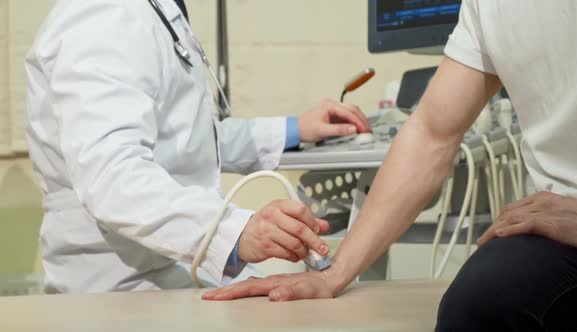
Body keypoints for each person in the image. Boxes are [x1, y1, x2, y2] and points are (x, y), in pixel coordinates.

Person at [203, 1, 577, 331]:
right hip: (559, 223)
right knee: (480, 303)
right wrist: (335, 273)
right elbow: (432, 133)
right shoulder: (490, 7)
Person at [25, 0, 371, 293]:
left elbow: (184, 139)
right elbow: (112, 178)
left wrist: (294, 129)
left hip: (167, 266)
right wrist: (235, 232)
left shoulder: (153, 11)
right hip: (122, 288)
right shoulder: (103, 18)